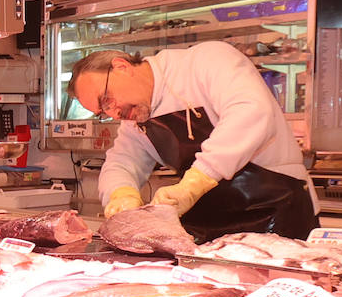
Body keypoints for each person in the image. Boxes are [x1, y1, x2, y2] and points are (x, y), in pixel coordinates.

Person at [67, 42, 318, 242]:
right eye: (102, 112)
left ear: (121, 66)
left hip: (277, 213)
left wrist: (195, 182)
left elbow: (251, 112)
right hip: (211, 228)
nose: (113, 113)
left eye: (107, 99)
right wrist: (121, 194)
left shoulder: (206, 61)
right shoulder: (135, 118)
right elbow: (121, 162)